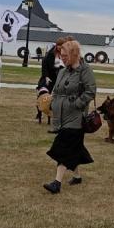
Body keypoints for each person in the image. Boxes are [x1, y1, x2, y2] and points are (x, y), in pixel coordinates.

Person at [43, 39, 97, 194]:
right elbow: (57, 89)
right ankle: (77, 177)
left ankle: (56, 183)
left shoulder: (85, 70)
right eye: (61, 55)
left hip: (76, 117)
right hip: (62, 115)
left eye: (65, 55)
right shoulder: (63, 70)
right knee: (74, 148)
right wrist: (52, 102)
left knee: (63, 147)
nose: (62, 58)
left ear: (74, 54)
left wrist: (77, 104)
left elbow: (90, 91)